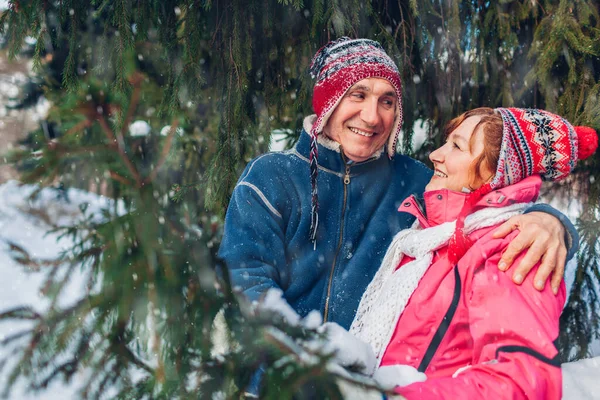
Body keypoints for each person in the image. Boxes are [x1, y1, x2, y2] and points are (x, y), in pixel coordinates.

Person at [218, 37, 577, 332]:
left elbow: (487, 212)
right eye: (357, 95)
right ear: (327, 101)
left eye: (386, 101)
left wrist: (550, 221)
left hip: (372, 383)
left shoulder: (416, 182)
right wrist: (309, 364)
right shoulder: (270, 177)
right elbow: (246, 280)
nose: (372, 116)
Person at [348, 107, 598, 398]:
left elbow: (521, 383)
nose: (435, 154)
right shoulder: (426, 238)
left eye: (456, 146)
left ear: (496, 172)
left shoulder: (511, 249)